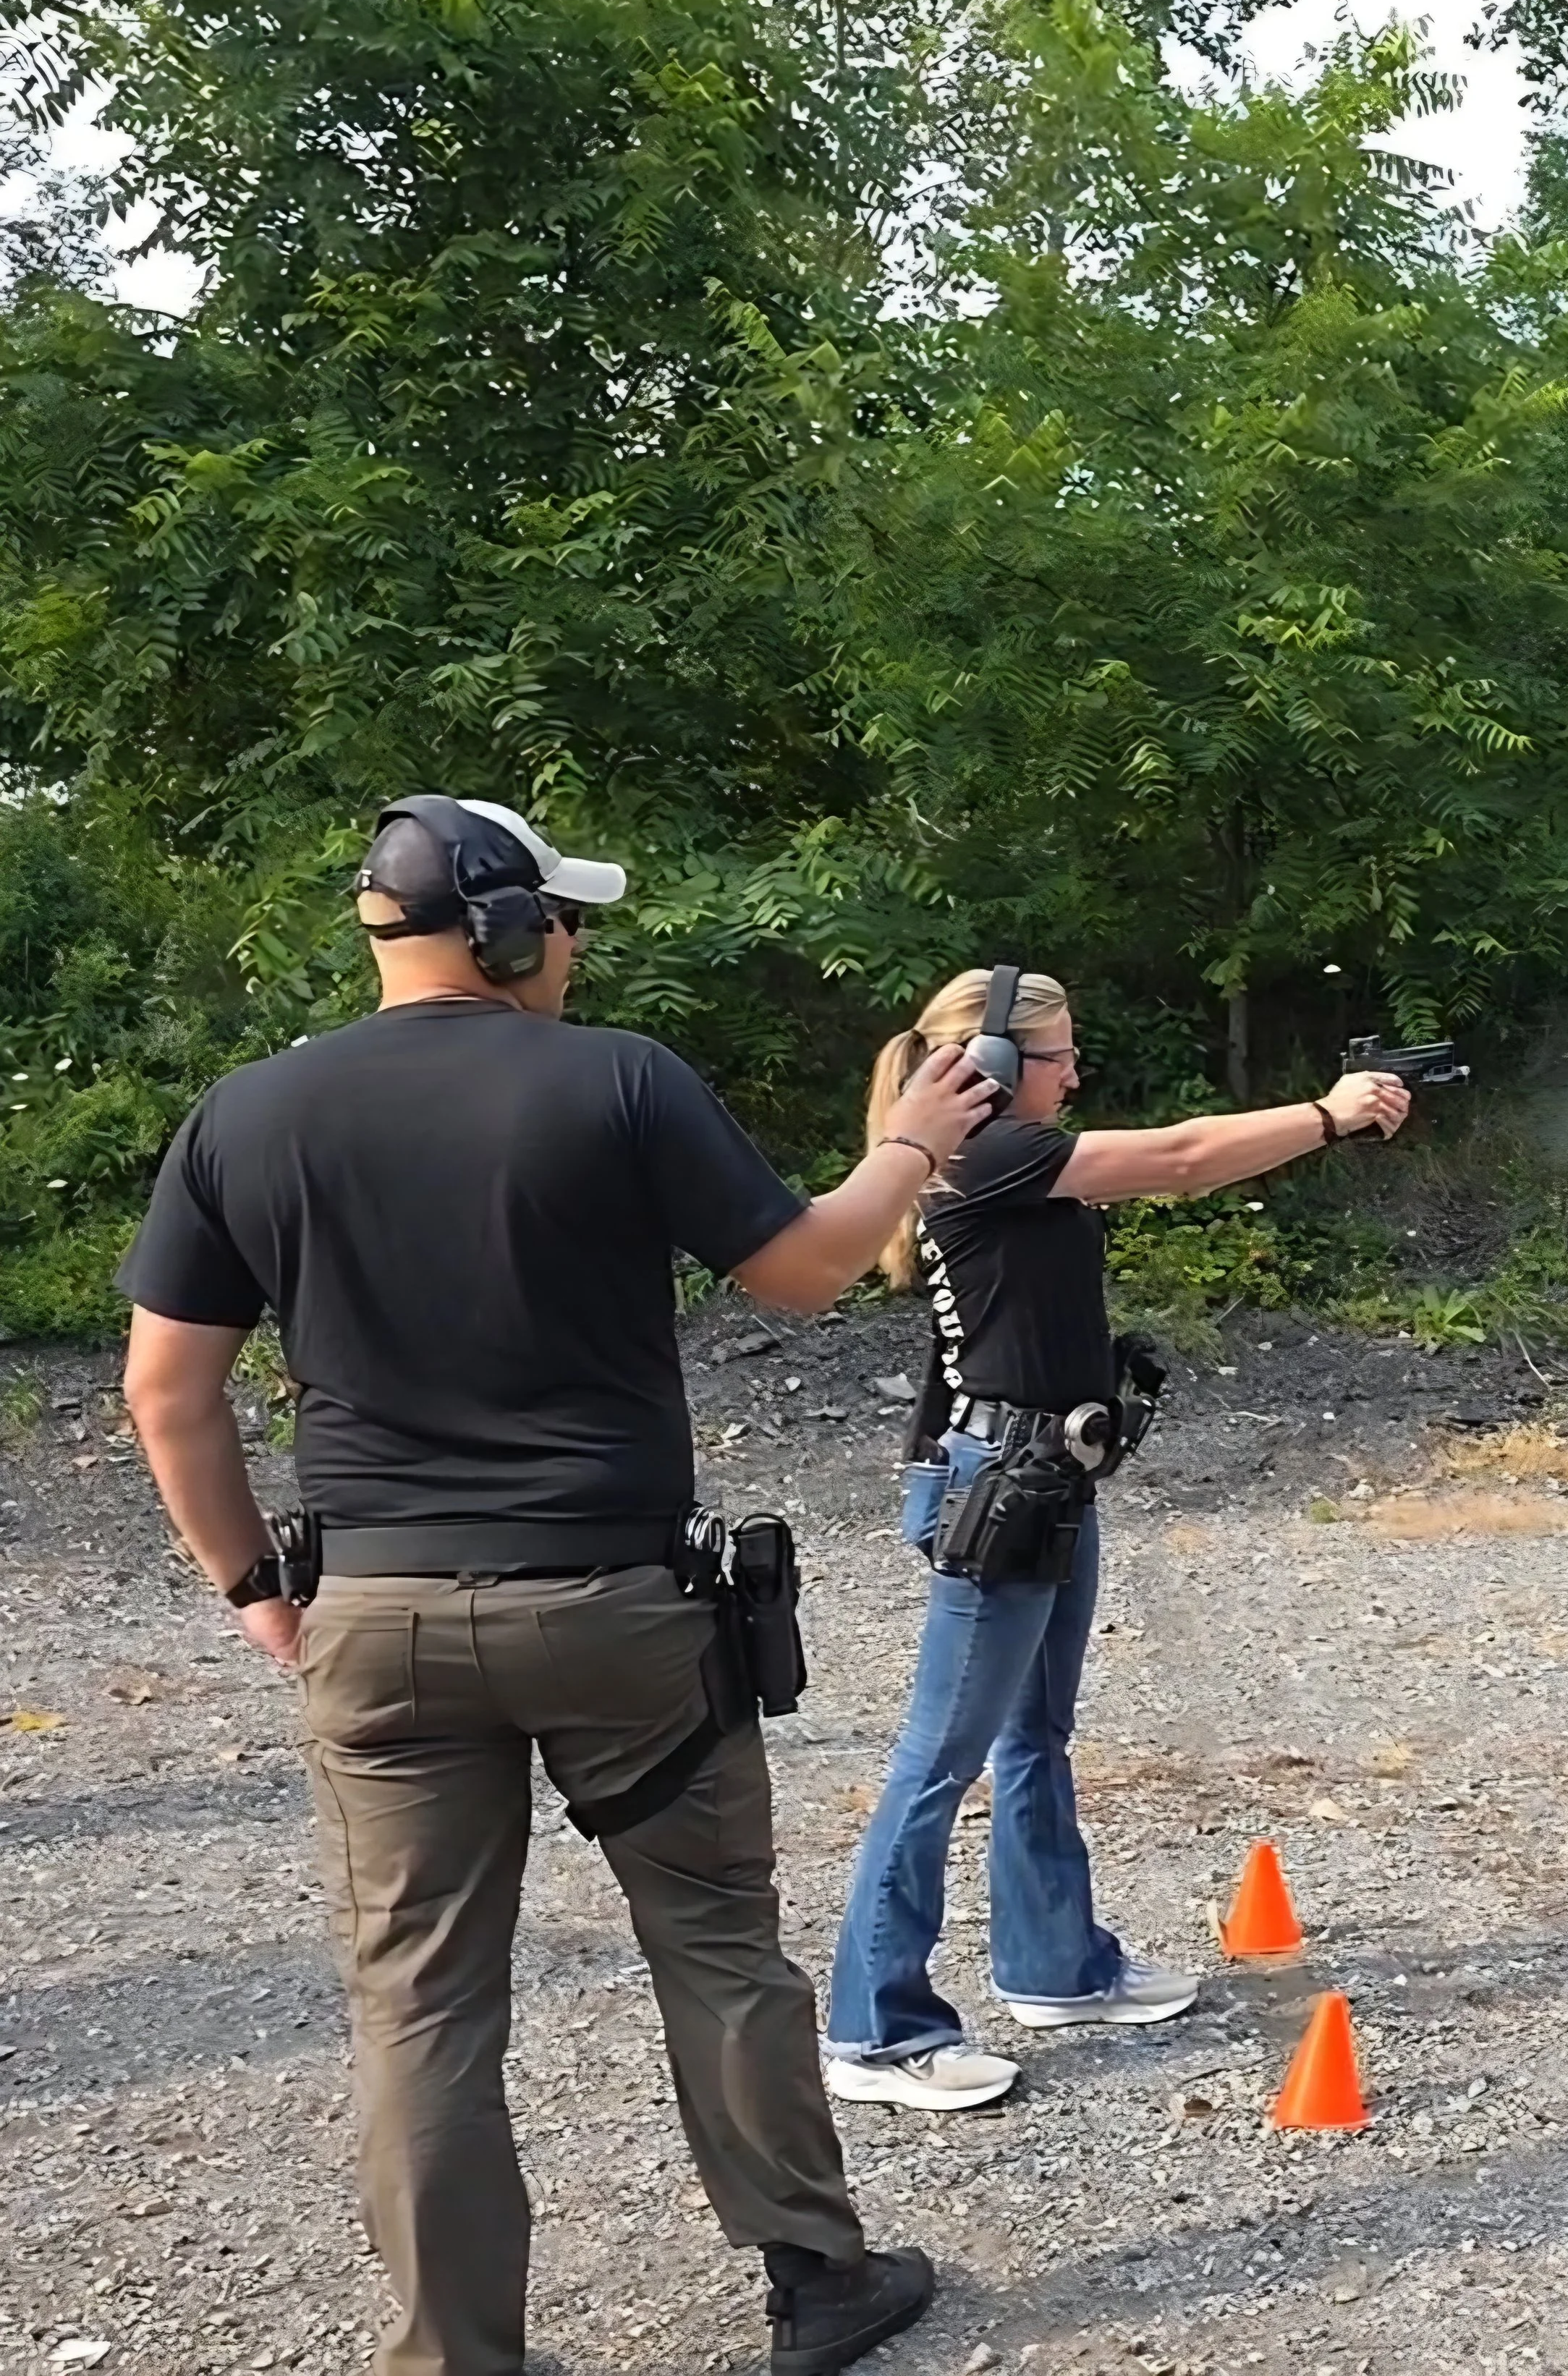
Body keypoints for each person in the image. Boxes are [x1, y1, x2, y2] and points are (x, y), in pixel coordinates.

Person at [117, 794, 994, 2376]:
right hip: (615, 1611)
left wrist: (257, 1584)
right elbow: (802, 1271)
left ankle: (456, 2354)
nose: (579, 945)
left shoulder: (245, 1113)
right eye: (566, 919)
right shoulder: (618, 1079)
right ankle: (814, 2281)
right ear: (512, 930)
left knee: (419, 2004)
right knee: (718, 1948)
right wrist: (911, 1148)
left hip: (377, 1623)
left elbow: (167, 1392)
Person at [823, 967, 1410, 2110]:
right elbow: (1185, 1159)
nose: (1075, 1073)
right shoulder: (989, 1154)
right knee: (937, 1759)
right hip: (1006, 1482)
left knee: (1035, 1732)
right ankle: (876, 2026)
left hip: (1044, 1475)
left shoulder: (1010, 1156)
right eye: (1058, 1056)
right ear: (990, 1068)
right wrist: (1330, 1115)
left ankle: (1055, 1965)